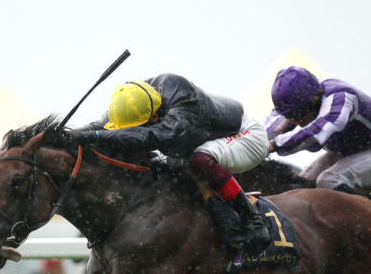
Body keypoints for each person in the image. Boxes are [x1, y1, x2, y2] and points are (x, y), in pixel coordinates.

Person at [65, 74, 270, 250]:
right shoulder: (130, 101)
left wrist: (99, 136)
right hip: (199, 145)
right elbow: (98, 127)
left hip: (246, 135)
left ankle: (253, 221)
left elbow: (159, 136)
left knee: (200, 160)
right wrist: (59, 135)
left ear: (154, 116)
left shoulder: (182, 96)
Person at [265, 66, 371, 194]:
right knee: (302, 184)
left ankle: (365, 219)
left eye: (296, 114)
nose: (293, 120)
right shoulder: (304, 97)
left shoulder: (341, 98)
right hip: (348, 151)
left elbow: (314, 133)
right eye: (288, 115)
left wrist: (274, 145)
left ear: (314, 100)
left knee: (328, 181)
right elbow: (267, 131)